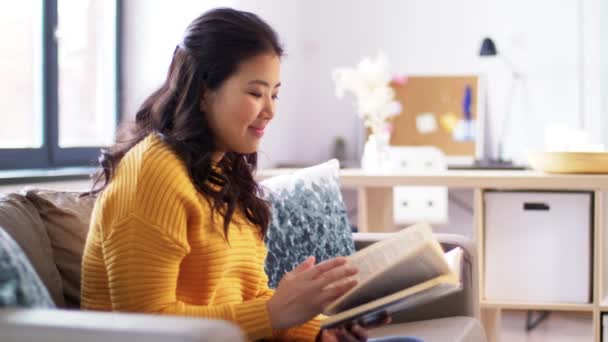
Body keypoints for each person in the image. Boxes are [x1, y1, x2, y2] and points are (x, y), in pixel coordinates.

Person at [81, 7, 421, 342]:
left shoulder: (223, 170)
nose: (270, 110)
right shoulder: (152, 171)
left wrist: (318, 330)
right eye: (256, 93)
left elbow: (250, 295)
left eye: (274, 94)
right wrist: (274, 312)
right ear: (203, 91)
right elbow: (146, 325)